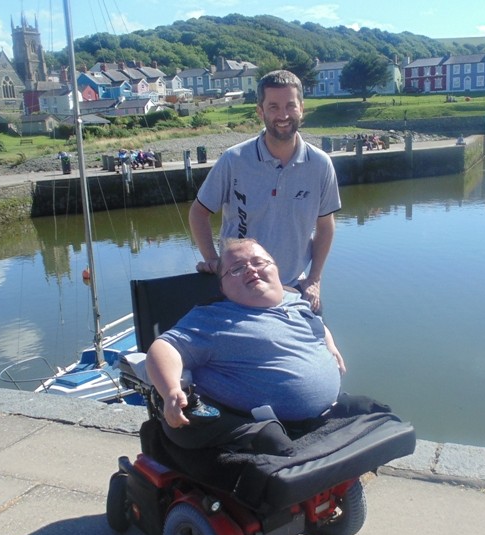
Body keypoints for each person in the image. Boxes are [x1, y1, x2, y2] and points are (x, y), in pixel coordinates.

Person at [146, 238, 346, 455]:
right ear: (222, 287)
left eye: (259, 262)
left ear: (276, 269)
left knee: (373, 413)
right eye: (237, 269)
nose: (251, 269)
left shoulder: (295, 299)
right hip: (259, 426)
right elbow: (164, 348)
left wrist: (329, 344)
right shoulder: (215, 318)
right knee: (277, 445)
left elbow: (316, 324)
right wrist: (170, 390)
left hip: (324, 417)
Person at [189, 69, 341, 313]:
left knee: (326, 350)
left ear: (301, 108)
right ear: (260, 111)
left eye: (290, 106)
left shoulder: (320, 165)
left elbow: (326, 226)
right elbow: (198, 213)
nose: (283, 115)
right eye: (273, 107)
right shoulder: (234, 160)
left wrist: (314, 279)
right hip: (240, 290)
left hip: (292, 289)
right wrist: (214, 262)